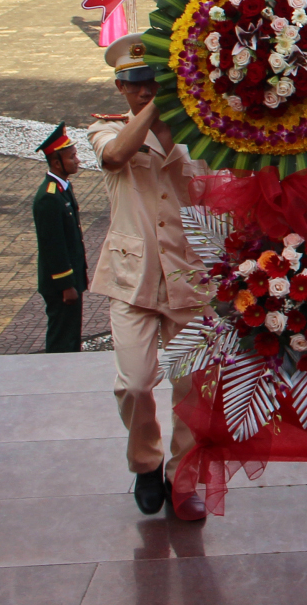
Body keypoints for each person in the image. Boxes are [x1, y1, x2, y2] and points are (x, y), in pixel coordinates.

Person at [88, 33, 209, 520]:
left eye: (155, 82)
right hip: (132, 275)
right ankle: (145, 463)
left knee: (194, 385)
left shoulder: (199, 131)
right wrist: (152, 113)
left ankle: (185, 476)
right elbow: (115, 156)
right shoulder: (105, 130)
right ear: (120, 87)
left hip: (188, 273)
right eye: (136, 84)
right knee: (135, 383)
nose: (146, 91)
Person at [32, 123, 87, 354]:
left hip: (71, 281)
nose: (77, 161)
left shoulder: (62, 188)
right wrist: (66, 285)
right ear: (56, 162)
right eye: (72, 157)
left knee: (71, 334)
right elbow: (52, 246)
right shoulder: (49, 198)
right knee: (61, 338)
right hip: (60, 286)